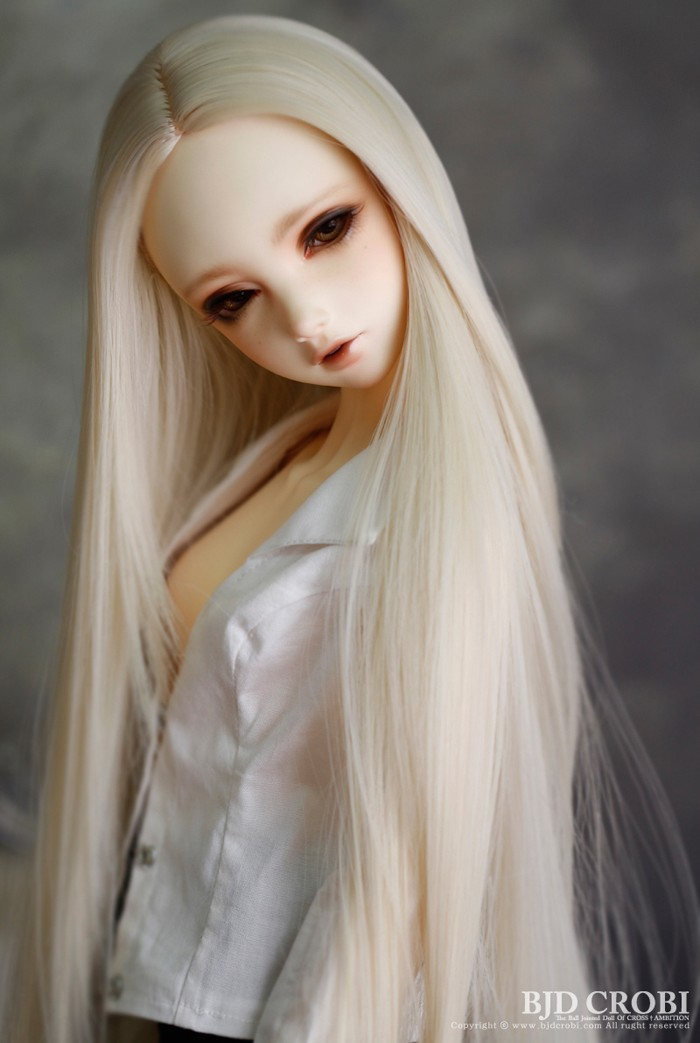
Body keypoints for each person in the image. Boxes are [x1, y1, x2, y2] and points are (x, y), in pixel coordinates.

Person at [8, 14, 698, 1043]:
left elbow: (389, 883)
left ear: (397, 185)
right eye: (234, 298)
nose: (306, 318)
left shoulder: (435, 519)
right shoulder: (288, 456)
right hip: (176, 989)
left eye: (327, 228)